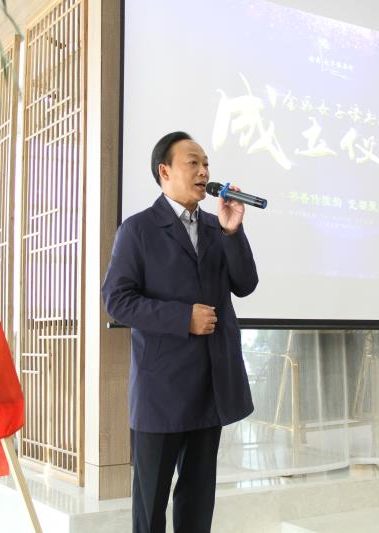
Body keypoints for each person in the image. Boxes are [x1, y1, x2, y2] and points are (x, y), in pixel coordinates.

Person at [102, 131, 258, 532]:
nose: (204, 171)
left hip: (210, 385)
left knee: (197, 502)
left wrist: (233, 232)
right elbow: (117, 300)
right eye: (193, 162)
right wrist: (182, 318)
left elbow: (245, 284)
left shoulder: (217, 226)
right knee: (150, 505)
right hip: (162, 390)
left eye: (206, 164)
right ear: (165, 171)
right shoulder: (138, 229)